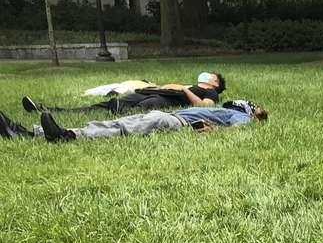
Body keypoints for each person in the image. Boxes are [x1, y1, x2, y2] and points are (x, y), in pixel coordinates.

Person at [0, 99, 267, 142]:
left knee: (122, 128)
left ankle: (68, 136)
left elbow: (236, 129)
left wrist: (210, 132)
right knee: (118, 125)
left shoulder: (240, 115)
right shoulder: (227, 110)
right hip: (167, 117)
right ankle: (27, 132)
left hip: (174, 123)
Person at [21, 72, 227, 115]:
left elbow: (205, 107)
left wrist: (184, 89)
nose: (207, 74)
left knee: (129, 111)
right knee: (111, 104)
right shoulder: (191, 84)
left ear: (214, 83)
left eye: (212, 75)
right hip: (154, 92)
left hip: (163, 101)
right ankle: (45, 109)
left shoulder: (211, 92)